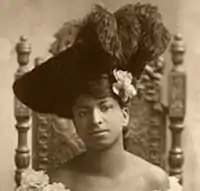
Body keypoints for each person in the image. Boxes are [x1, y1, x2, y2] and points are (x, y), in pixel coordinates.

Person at [13, 2, 174, 191]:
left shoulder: (154, 182)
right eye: (83, 113)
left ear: (124, 115)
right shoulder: (55, 184)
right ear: (75, 123)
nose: (95, 120)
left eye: (105, 107)